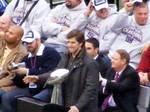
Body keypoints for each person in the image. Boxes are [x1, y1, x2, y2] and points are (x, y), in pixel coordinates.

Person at [23, 29, 99, 112]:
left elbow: (90, 89)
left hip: (81, 108)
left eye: (73, 42)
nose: (69, 45)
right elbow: (55, 74)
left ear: (81, 44)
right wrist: (38, 78)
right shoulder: (66, 57)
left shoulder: (91, 63)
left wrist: (78, 106)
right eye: (68, 42)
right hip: (65, 102)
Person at [1, 30, 61, 112]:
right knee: (7, 97)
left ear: (38, 40)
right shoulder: (27, 57)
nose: (28, 45)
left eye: (30, 42)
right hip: (29, 87)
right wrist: (14, 74)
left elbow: (50, 73)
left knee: (32, 102)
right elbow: (21, 83)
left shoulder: (50, 53)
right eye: (26, 43)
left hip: (46, 88)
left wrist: (27, 71)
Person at [105, 1, 150, 68]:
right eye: (140, 14)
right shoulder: (127, 19)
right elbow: (112, 26)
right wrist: (125, 10)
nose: (143, 17)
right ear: (134, 13)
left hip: (130, 64)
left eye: (145, 14)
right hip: (111, 58)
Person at [0, 25, 27, 95]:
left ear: (18, 38)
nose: (7, 34)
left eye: (11, 33)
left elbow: (12, 76)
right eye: (7, 31)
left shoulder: (22, 53)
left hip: (5, 82)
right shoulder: (1, 42)